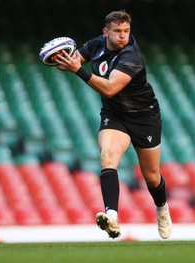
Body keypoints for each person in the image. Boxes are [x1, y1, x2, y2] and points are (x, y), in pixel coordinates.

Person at [56, 10, 172, 239]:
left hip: (144, 117)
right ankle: (112, 216)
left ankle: (162, 208)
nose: (123, 36)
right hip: (115, 114)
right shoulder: (96, 45)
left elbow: (109, 88)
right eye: (118, 31)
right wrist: (60, 59)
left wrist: (77, 70)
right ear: (106, 32)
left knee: (151, 176)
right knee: (107, 157)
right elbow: (75, 60)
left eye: (126, 31)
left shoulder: (132, 56)